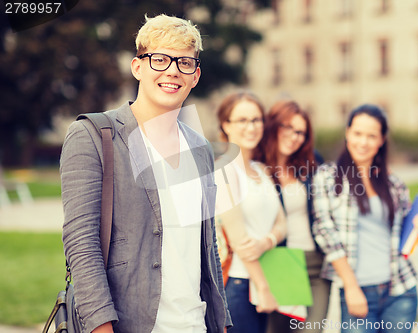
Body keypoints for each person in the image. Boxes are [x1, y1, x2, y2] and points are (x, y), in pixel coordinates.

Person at [60, 14, 231, 333]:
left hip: (194, 324)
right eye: (160, 59)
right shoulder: (94, 135)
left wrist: (220, 322)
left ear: (195, 76)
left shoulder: (200, 148)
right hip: (130, 324)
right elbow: (81, 241)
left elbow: (206, 245)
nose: (172, 71)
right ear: (138, 67)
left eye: (184, 63)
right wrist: (101, 327)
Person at [312, 104, 418, 333]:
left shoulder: (393, 183)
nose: (363, 142)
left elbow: (403, 237)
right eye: (357, 134)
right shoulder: (327, 177)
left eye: (371, 136)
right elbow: (324, 232)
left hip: (400, 290)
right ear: (347, 133)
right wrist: (351, 286)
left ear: (382, 140)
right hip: (358, 290)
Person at [254, 100, 331, 333]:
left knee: (312, 330)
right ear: (273, 126)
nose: (294, 136)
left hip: (317, 263)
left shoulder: (311, 162)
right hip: (280, 263)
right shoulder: (256, 166)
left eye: (301, 132)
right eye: (288, 128)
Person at [215, 91, 287, 333]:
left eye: (256, 120)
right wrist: (263, 289)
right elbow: (240, 241)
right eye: (242, 120)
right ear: (226, 125)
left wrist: (266, 242)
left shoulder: (261, 170)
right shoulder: (224, 171)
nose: (251, 127)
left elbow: (282, 223)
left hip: (269, 276)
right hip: (240, 283)